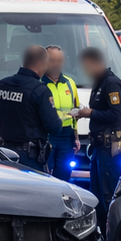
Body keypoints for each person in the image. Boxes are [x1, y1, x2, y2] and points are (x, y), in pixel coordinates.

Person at [0, 44, 61, 172]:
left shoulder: (3, 84)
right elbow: (54, 127)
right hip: (30, 158)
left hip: (4, 152)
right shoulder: (40, 90)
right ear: (41, 63)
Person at [76, 46, 121, 229]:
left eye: (87, 66)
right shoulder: (99, 83)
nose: (86, 71)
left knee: (108, 195)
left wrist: (90, 113)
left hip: (110, 147)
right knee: (95, 195)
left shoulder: (111, 83)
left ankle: (113, 235)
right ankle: (100, 234)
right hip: (98, 147)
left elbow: (117, 115)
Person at [42, 45, 80, 182]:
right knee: (44, 176)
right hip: (47, 136)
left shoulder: (70, 83)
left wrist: (76, 137)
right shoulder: (39, 83)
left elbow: (75, 111)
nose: (57, 64)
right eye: (53, 60)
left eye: (60, 60)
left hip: (66, 137)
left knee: (64, 175)